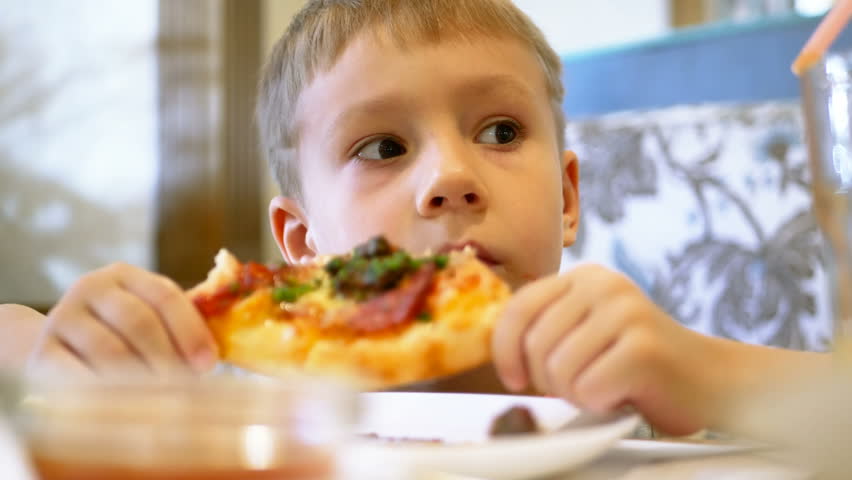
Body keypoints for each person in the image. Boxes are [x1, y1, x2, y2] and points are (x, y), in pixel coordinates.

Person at [5, 0, 829, 435]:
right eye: (383, 147)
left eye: (500, 132)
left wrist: (704, 375)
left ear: (570, 196)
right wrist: (68, 357)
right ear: (302, 246)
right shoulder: (241, 389)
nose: (452, 178)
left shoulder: (623, 371)